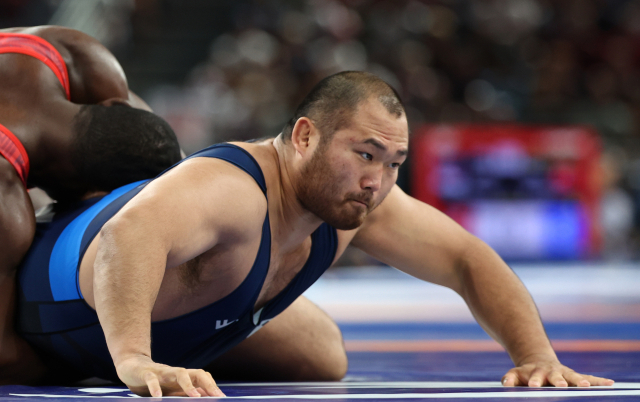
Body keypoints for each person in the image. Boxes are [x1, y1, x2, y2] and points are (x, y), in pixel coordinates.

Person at [17, 71, 614, 397]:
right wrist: (134, 359)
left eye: (394, 162)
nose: (378, 180)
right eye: (365, 153)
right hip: (49, 308)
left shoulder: (360, 201)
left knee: (323, 358)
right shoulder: (234, 187)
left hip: (179, 320)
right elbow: (129, 236)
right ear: (303, 137)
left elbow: (465, 258)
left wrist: (537, 358)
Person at [0, 25, 181, 384]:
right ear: (91, 196)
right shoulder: (7, 210)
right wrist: (101, 365)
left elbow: (147, 133)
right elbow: (2, 359)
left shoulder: (73, 52)